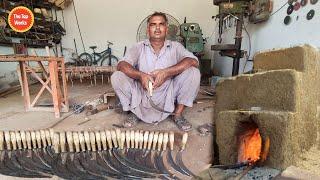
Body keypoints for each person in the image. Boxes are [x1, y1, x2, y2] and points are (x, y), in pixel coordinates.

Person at [111, 12, 200, 131]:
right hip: (142, 93)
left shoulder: (176, 47)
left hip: (168, 93)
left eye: (161, 24)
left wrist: (166, 72)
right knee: (117, 76)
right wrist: (140, 75)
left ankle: (177, 114)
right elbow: (121, 65)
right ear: (148, 29)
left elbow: (193, 61)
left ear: (167, 29)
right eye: (153, 25)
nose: (157, 28)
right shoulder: (138, 47)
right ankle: (135, 112)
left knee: (193, 72)